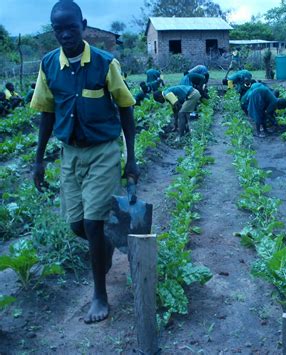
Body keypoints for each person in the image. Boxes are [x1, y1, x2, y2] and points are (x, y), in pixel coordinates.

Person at [30, 0, 138, 324]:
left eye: (71, 28)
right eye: (58, 30)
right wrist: (38, 161)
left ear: (84, 25)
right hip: (70, 153)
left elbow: (126, 110)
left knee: (92, 221)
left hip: (103, 150)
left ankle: (100, 296)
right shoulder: (49, 65)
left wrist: (131, 159)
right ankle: (105, 245)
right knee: (77, 224)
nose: (65, 35)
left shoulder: (105, 64)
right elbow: (47, 114)